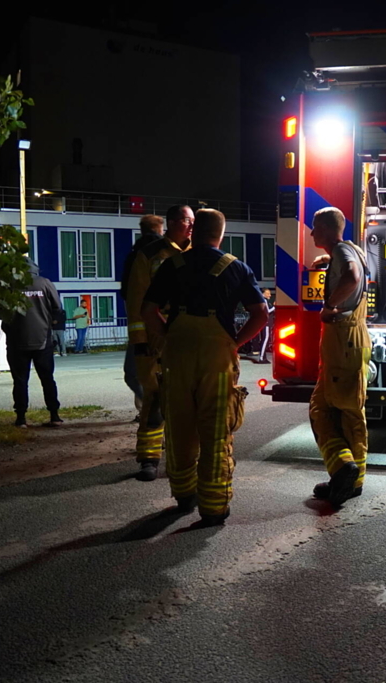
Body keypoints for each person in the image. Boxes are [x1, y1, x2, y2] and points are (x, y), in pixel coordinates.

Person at [141, 209, 267, 525]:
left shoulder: (172, 264)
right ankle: (213, 507)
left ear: (194, 230)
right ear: (220, 234)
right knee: (215, 430)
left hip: (178, 354)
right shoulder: (236, 267)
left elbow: (148, 310)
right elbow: (261, 314)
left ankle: (184, 495)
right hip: (217, 358)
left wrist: (168, 336)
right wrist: (235, 343)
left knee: (179, 426)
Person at [307, 207, 370, 509]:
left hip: (342, 342)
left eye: (315, 227)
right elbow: (353, 265)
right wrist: (328, 260)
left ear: (327, 229)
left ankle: (343, 468)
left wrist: (329, 305)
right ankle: (352, 481)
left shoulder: (344, 251)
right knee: (349, 412)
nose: (311, 233)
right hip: (352, 341)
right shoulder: (351, 249)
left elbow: (352, 276)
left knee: (323, 409)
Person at [126, 205, 194, 481]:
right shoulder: (149, 255)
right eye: (188, 221)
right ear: (174, 222)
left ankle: (184, 459)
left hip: (188, 336)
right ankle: (149, 459)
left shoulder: (199, 252)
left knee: (189, 401)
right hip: (155, 340)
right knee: (154, 400)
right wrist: (140, 340)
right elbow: (136, 300)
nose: (192, 226)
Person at [1, 259, 62, 427]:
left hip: (16, 342)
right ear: (35, 269)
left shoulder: (10, 285)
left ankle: (21, 418)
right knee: (47, 379)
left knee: (20, 381)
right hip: (42, 340)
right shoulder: (45, 283)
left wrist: (9, 329)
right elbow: (57, 308)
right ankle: (54, 416)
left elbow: (1, 311)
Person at [122, 215, 165, 421]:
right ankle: (156, 408)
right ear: (160, 229)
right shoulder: (167, 252)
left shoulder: (136, 255)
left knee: (134, 373)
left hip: (142, 327)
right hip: (164, 325)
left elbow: (128, 293)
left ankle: (152, 408)